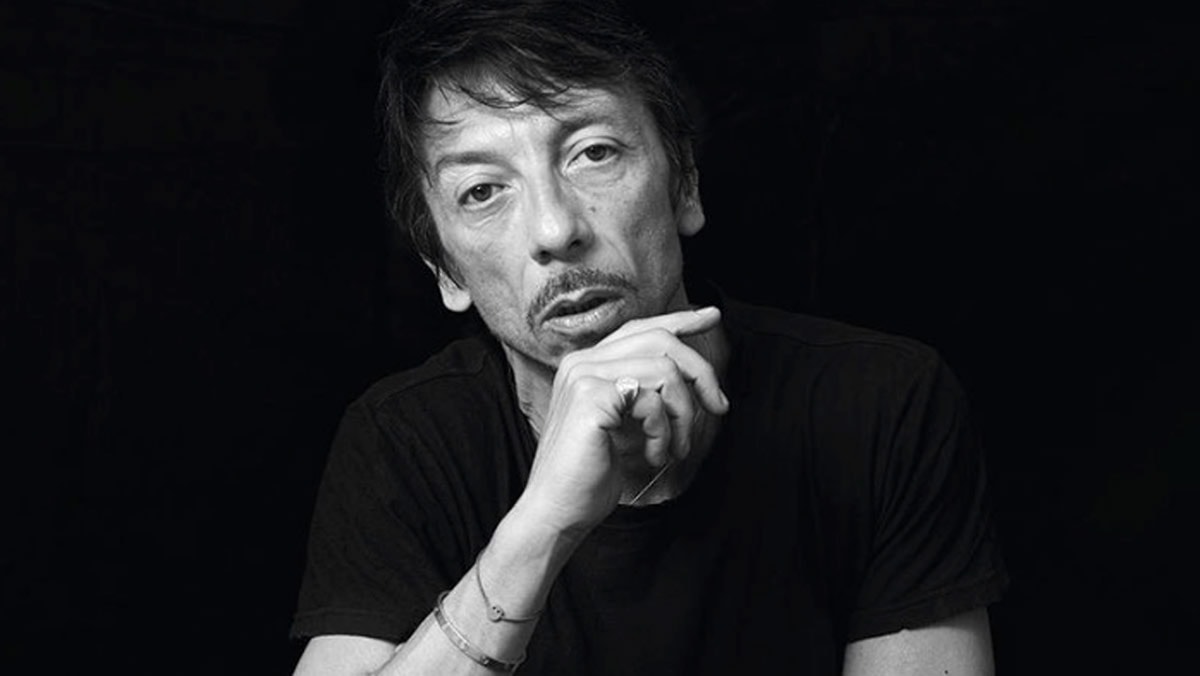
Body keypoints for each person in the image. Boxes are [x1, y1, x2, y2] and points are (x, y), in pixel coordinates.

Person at [290, 1, 1008, 674]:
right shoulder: (403, 443)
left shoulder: (880, 405)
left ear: (684, 184)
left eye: (593, 152)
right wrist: (541, 526)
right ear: (446, 270)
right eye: (482, 191)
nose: (555, 230)